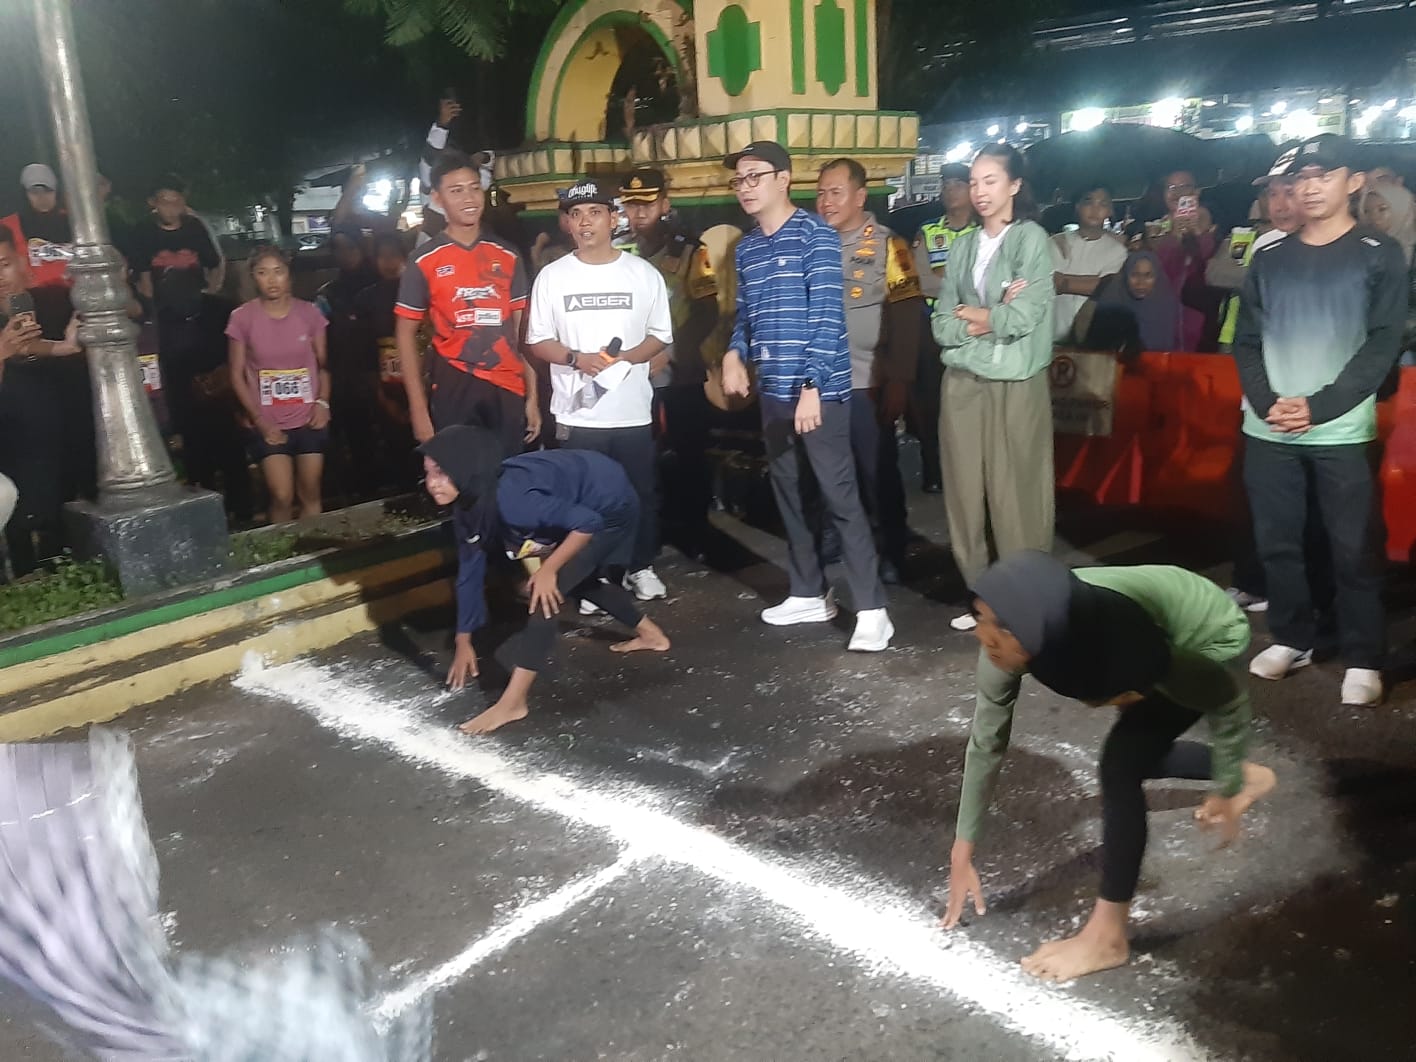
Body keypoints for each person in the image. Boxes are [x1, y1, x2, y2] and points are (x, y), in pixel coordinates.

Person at [941, 551, 1277, 982]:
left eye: (1000, 627)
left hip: (1206, 632)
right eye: (981, 618)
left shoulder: (1138, 652)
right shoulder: (1021, 622)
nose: (984, 636)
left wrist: (1225, 785)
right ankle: (1250, 775)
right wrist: (963, 847)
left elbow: (1227, 702)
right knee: (1139, 747)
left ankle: (1108, 938)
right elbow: (987, 741)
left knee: (1122, 763)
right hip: (1136, 623)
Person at [1233, 135, 1408, 707]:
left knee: (1352, 545)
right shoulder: (1269, 256)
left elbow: (1382, 342)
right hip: (1270, 428)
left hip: (1339, 428)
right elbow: (1247, 340)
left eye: (1323, 176)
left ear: (1353, 182)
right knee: (1278, 541)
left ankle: (1363, 654)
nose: (1308, 188)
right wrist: (1267, 403)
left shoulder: (1379, 252)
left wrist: (1321, 405)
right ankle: (1293, 637)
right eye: (1301, 178)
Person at [721, 141, 893, 651]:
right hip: (773, 391)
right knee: (791, 494)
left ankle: (873, 610)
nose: (746, 187)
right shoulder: (748, 248)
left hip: (820, 392)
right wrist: (734, 353)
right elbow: (746, 316)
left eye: (755, 176)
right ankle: (808, 592)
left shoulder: (815, 235)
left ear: (783, 179)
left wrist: (814, 386)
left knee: (840, 498)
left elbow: (827, 317)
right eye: (739, 179)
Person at [419, 425, 670, 735]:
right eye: (427, 473)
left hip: (609, 503)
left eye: (441, 473)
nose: (432, 483)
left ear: (464, 469)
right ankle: (651, 635)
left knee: (545, 596)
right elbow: (469, 572)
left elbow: (587, 523)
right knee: (576, 579)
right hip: (579, 494)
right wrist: (463, 639)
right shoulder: (468, 507)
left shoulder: (513, 502)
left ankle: (513, 703)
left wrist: (549, 569)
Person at [525, 177, 674, 605]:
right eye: (576, 214)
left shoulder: (642, 273)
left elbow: (660, 335)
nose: (586, 222)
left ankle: (640, 566)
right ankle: (594, 579)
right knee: (585, 500)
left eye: (595, 212)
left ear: (614, 218)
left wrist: (625, 358)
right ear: (567, 224)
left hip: (631, 410)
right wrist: (576, 359)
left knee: (639, 493)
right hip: (578, 414)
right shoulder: (552, 277)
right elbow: (538, 341)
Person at [932, 144, 1056, 632]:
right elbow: (941, 322)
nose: (979, 191)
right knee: (964, 493)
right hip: (962, 382)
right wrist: (987, 316)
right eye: (974, 181)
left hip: (1015, 382)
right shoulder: (962, 245)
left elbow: (1024, 315)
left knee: (1017, 495)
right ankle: (983, 597)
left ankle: (1026, 599)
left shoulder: (1030, 239)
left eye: (991, 181)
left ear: (1014, 185)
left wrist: (980, 316)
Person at [816, 157, 921, 584]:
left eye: (835, 192)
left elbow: (908, 315)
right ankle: (834, 537)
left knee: (877, 472)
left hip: (868, 382)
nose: (826, 201)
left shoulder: (889, 246)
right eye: (821, 193)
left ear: (860, 196)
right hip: (821, 383)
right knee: (827, 468)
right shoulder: (812, 243)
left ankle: (891, 547)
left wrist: (899, 378)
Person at [396, 151, 539, 459]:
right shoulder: (423, 259)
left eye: (474, 188)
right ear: (437, 198)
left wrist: (533, 397)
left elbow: (524, 331)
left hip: (508, 386)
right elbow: (405, 335)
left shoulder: (508, 254)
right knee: (460, 478)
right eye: (456, 190)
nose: (469, 198)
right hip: (454, 383)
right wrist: (418, 409)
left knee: (509, 477)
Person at [617, 168, 720, 557]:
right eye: (631, 205)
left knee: (689, 454)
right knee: (639, 458)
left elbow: (707, 311)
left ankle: (696, 532)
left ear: (664, 203)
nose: (639, 213)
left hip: (680, 374)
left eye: (647, 204)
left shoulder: (691, 251)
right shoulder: (618, 251)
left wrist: (670, 352)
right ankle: (647, 532)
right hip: (631, 375)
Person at [128, 175, 242, 506]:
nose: (171, 207)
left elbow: (215, 263)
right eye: (165, 200)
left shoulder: (194, 227)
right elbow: (143, 277)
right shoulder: (143, 232)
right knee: (183, 408)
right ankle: (198, 488)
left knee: (216, 400)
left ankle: (239, 501)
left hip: (200, 320)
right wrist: (153, 311)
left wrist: (210, 293)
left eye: (176, 200)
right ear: (153, 202)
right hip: (167, 323)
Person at [0, 226, 89, 574]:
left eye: (4, 264)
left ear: (22, 263)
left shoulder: (52, 300)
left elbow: (30, 346)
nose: (0, 277)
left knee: (60, 514)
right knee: (18, 520)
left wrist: (66, 345)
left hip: (60, 430)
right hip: (10, 441)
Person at [226, 247, 331, 524]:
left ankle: (314, 543)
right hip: (267, 420)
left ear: (289, 275)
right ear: (253, 278)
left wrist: (322, 403)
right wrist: (259, 420)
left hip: (308, 417)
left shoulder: (309, 314)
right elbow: (236, 374)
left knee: (311, 491)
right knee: (281, 494)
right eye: (263, 273)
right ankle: (283, 546)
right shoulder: (242, 318)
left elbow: (323, 365)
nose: (272, 280)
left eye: (278, 272)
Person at [910, 164, 977, 494]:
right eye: (946, 184)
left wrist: (944, 278)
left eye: (958, 184)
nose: (950, 190)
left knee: (972, 404)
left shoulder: (984, 232)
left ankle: (968, 470)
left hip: (975, 330)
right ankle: (933, 469)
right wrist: (964, 283)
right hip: (935, 329)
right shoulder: (928, 231)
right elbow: (920, 281)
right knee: (931, 403)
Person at [317, 224, 381, 496]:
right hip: (345, 374)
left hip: (381, 368)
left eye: (350, 247)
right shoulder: (329, 293)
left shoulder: (381, 284)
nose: (345, 254)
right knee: (354, 431)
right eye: (339, 249)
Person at [355, 232, 417, 487]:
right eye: (382, 256)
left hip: (424, 385)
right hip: (387, 387)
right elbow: (364, 352)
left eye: (394, 255)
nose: (389, 262)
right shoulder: (366, 299)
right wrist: (380, 395)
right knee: (395, 451)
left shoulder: (422, 292)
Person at [1149, 170, 1218, 351]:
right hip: (1160, 317)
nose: (1177, 193)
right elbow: (1155, 271)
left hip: (1198, 321)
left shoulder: (1212, 228)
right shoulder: (1155, 229)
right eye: (1171, 187)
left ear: (1196, 192)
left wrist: (1199, 233)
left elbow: (1207, 270)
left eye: (1184, 187)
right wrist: (1173, 237)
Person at [1051, 184, 1127, 344]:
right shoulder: (1056, 243)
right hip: (1052, 336)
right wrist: (1093, 283)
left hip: (1093, 339)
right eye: (1088, 201)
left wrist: (1063, 282)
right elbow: (1048, 282)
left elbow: (1107, 288)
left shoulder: (1117, 251)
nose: (1095, 208)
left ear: (1110, 211)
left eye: (1103, 203)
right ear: (1077, 207)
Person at [1081, 251, 1182, 355]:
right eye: (1134, 275)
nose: (1140, 283)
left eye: (1148, 275)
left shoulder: (1166, 304)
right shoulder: (1111, 303)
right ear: (1126, 276)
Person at [0, 165, 74, 291]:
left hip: (74, 295)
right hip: (30, 297)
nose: (42, 197)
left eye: (48, 191)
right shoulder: (7, 226)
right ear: (25, 195)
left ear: (57, 192)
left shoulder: (74, 223)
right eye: (35, 192)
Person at [1361, 184, 1415, 267]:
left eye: (1382, 209)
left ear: (1402, 209)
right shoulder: (1362, 248)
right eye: (1366, 211)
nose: (1373, 217)